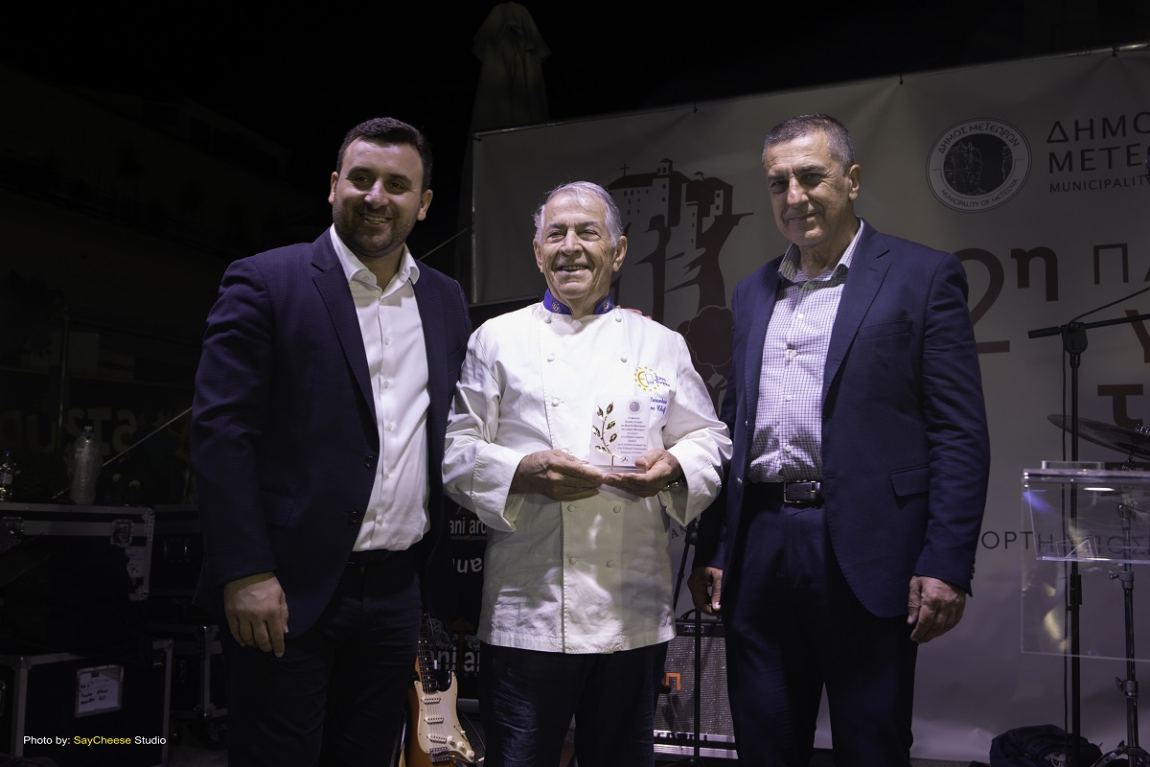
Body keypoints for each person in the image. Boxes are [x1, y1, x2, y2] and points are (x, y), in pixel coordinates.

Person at [688, 114, 990, 766]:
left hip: (868, 546)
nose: (794, 196)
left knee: (872, 747)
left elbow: (958, 433)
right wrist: (716, 545)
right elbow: (735, 423)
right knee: (764, 745)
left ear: (851, 180)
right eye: (778, 183)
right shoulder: (752, 292)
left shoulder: (922, 276)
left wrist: (946, 560)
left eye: (810, 177)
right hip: (759, 545)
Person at [190, 116, 471, 767]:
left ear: (424, 203)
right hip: (283, 589)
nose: (377, 196)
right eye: (362, 178)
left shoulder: (446, 300)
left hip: (396, 593)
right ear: (333, 185)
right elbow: (221, 433)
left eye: (397, 184)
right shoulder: (265, 280)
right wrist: (245, 569)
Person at [442, 181, 731, 767]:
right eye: (556, 234)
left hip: (632, 611)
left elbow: (710, 437)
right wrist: (523, 471)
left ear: (618, 252)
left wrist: (674, 465)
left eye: (587, 232)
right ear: (537, 252)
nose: (570, 246)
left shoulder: (660, 344)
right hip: (529, 611)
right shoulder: (496, 339)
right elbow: (456, 452)